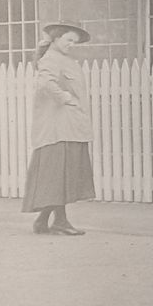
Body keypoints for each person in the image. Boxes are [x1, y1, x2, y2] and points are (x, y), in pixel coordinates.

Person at [23, 22, 96, 235]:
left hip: (69, 126)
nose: (72, 45)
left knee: (62, 174)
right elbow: (47, 84)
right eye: (68, 40)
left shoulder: (65, 60)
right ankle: (60, 221)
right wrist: (65, 97)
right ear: (56, 39)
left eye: (74, 42)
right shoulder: (51, 60)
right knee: (58, 174)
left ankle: (44, 220)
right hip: (57, 128)